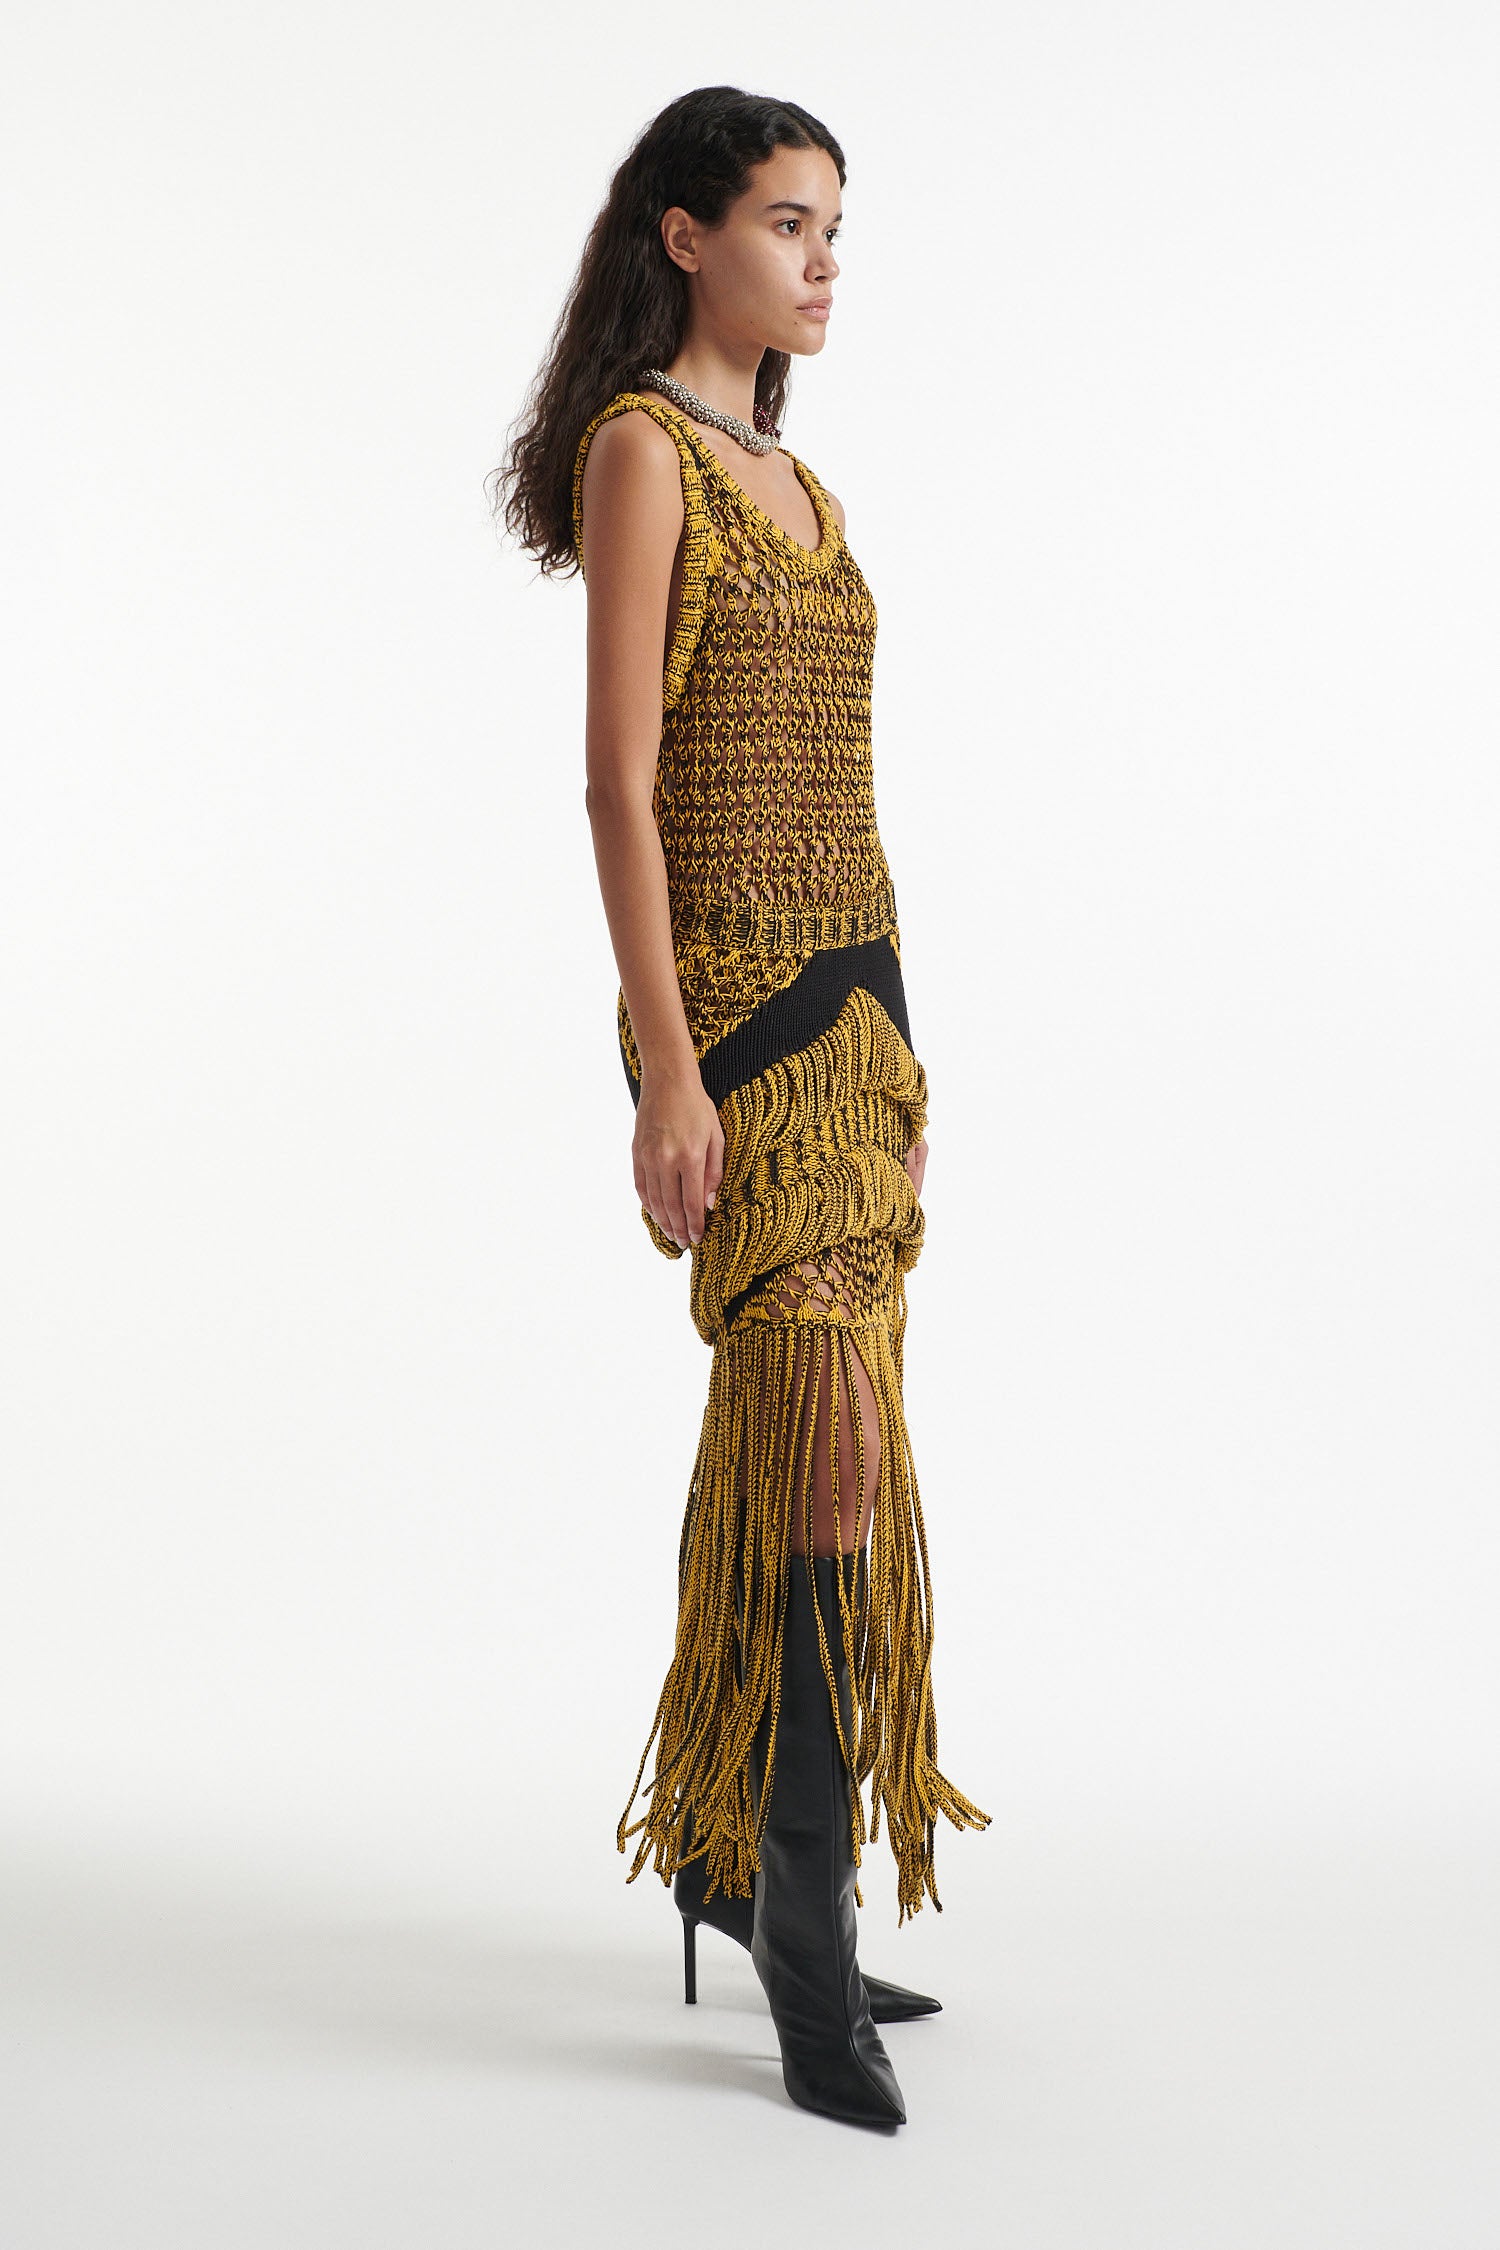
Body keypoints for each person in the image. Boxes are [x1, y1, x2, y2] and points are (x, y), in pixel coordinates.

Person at [492, 85, 989, 2130]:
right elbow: (620, 783)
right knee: (826, 1445)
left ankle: (728, 1840)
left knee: (825, 1453)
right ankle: (796, 1931)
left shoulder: (811, 490)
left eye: (836, 227)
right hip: (737, 1032)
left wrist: (907, 1042)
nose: (821, 258)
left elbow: (841, 797)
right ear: (688, 238)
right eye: (789, 220)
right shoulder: (648, 452)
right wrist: (668, 1067)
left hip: (857, 1021)